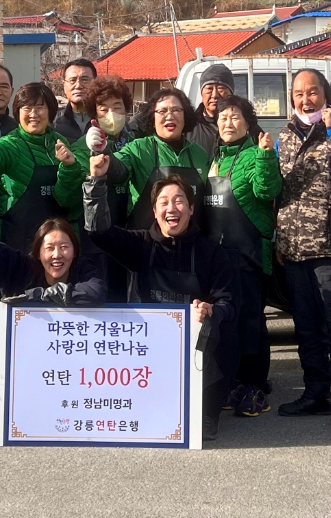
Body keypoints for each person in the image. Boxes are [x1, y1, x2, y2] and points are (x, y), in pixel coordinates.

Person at [83, 167, 235, 440]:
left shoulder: (211, 253)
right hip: (149, 345)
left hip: (194, 348)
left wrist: (213, 310)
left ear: (190, 208)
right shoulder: (140, 244)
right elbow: (98, 232)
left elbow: (227, 302)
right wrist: (95, 182)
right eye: (163, 202)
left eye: (178, 201)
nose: (171, 208)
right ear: (154, 211)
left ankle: (208, 412)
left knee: (224, 330)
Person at [276, 69, 331, 432]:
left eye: (312, 92)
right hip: (294, 250)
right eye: (299, 93)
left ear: (325, 96)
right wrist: (279, 241)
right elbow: (281, 193)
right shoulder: (283, 137)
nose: (305, 99)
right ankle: (316, 394)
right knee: (307, 329)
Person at [203, 96, 281, 418]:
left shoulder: (254, 154)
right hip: (217, 257)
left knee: (251, 321)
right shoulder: (214, 159)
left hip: (247, 254)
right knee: (226, 323)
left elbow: (268, 191)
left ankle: (257, 385)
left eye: (235, 117)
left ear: (248, 123)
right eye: (222, 118)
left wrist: (265, 157)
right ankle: (233, 381)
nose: (228, 123)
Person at [0, 82, 78, 253]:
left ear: (51, 112)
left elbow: (67, 198)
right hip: (17, 239)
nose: (33, 114)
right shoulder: (11, 144)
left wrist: (70, 166)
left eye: (40, 107)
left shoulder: (60, 141)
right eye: (27, 108)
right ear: (18, 112)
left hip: (55, 241)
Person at [55, 74, 136, 301]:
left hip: (131, 236)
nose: (111, 114)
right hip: (95, 243)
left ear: (127, 109)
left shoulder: (137, 142)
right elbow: (68, 195)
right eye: (103, 109)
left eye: (117, 106)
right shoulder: (82, 147)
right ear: (93, 114)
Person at [100, 88, 211, 233]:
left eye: (176, 110)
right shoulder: (138, 149)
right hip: (146, 246)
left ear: (186, 116)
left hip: (191, 247)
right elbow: (118, 170)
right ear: (152, 118)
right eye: (162, 111)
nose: (169, 116)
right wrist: (103, 150)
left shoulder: (200, 154)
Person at [187, 63, 237, 158]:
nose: (214, 95)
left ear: (231, 93)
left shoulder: (245, 125)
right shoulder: (189, 126)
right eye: (209, 89)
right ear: (202, 93)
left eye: (221, 89)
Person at [54, 58, 98, 144]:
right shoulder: (53, 122)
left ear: (96, 82)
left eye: (85, 80)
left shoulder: (109, 119)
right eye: (72, 80)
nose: (78, 86)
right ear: (64, 85)